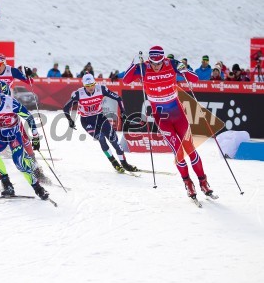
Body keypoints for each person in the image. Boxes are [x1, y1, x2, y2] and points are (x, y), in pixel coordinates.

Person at [123, 45, 216, 200]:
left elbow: (194, 78)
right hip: (162, 119)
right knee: (178, 152)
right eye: (153, 62)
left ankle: (203, 182)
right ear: (149, 60)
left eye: (159, 63)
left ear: (163, 59)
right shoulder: (143, 68)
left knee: (190, 150)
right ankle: (188, 183)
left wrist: (184, 69)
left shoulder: (172, 64)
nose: (157, 66)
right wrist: (133, 64)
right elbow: (126, 80)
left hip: (178, 115)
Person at [0, 85, 49, 200]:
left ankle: (38, 188)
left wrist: (35, 137)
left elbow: (29, 118)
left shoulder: (11, 103)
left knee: (19, 162)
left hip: (13, 135)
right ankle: (7, 185)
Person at [63, 74, 137, 173]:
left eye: (92, 85)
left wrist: (123, 112)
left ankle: (124, 163)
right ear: (84, 86)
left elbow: (118, 98)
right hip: (87, 121)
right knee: (101, 138)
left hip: (100, 117)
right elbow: (66, 107)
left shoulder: (101, 89)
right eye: (88, 86)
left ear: (95, 83)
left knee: (114, 140)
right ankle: (114, 162)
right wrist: (70, 120)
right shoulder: (78, 94)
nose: (91, 88)